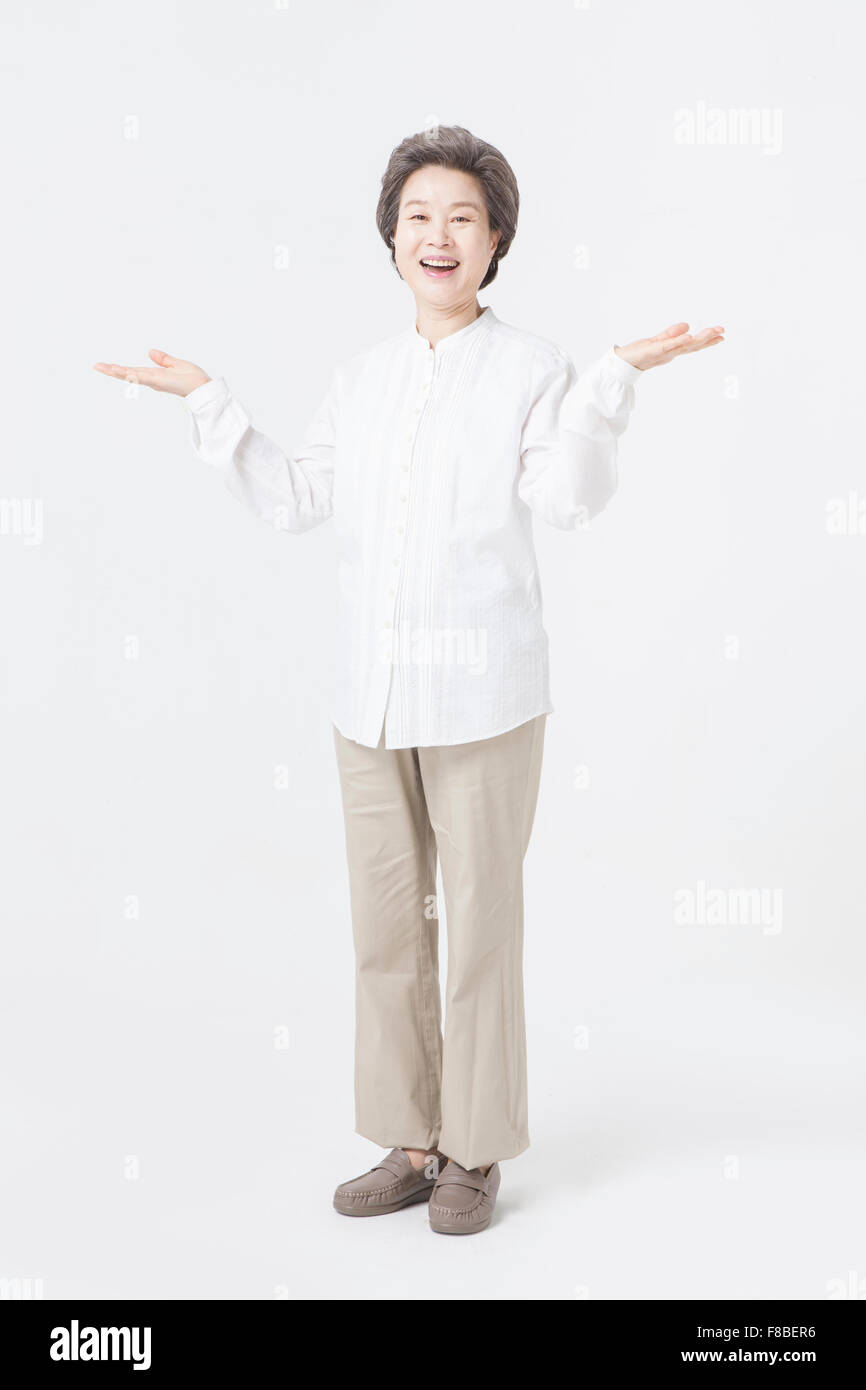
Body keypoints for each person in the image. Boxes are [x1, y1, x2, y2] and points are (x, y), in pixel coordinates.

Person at [94, 124, 723, 1236]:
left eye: (462, 219)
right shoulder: (363, 379)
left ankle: (474, 1148)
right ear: (389, 239)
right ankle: (410, 1136)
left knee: (477, 926)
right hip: (367, 700)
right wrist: (209, 400)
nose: (438, 235)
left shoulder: (532, 367)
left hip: (483, 697)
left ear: (494, 244)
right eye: (418, 216)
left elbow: (569, 498)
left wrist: (612, 379)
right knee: (387, 928)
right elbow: (293, 499)